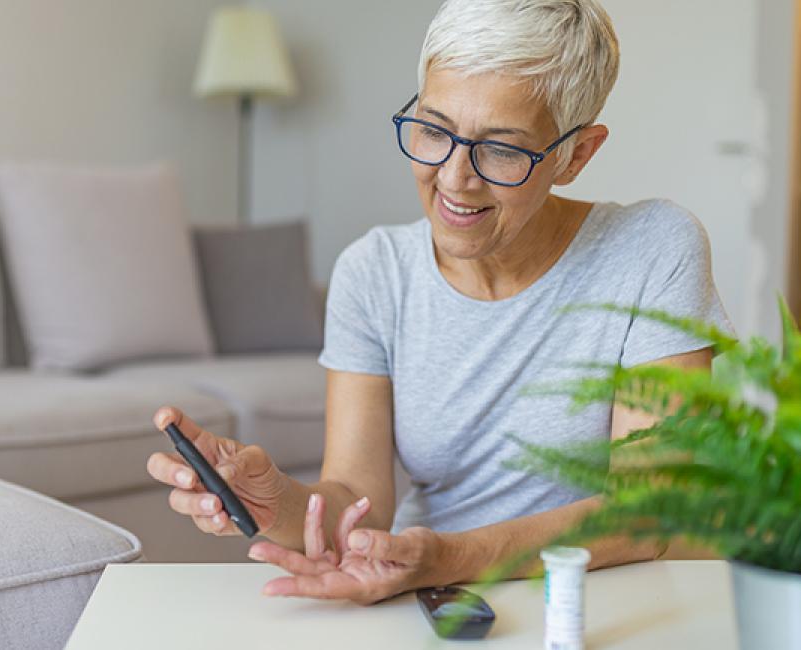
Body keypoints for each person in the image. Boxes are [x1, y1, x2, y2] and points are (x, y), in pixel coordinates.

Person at [146, 0, 732, 605]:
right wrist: (273, 502)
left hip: (597, 606)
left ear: (575, 155)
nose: (454, 179)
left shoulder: (652, 250)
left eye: (501, 150)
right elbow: (357, 502)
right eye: (433, 129)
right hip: (437, 603)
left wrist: (450, 557)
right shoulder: (374, 272)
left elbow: (649, 511)